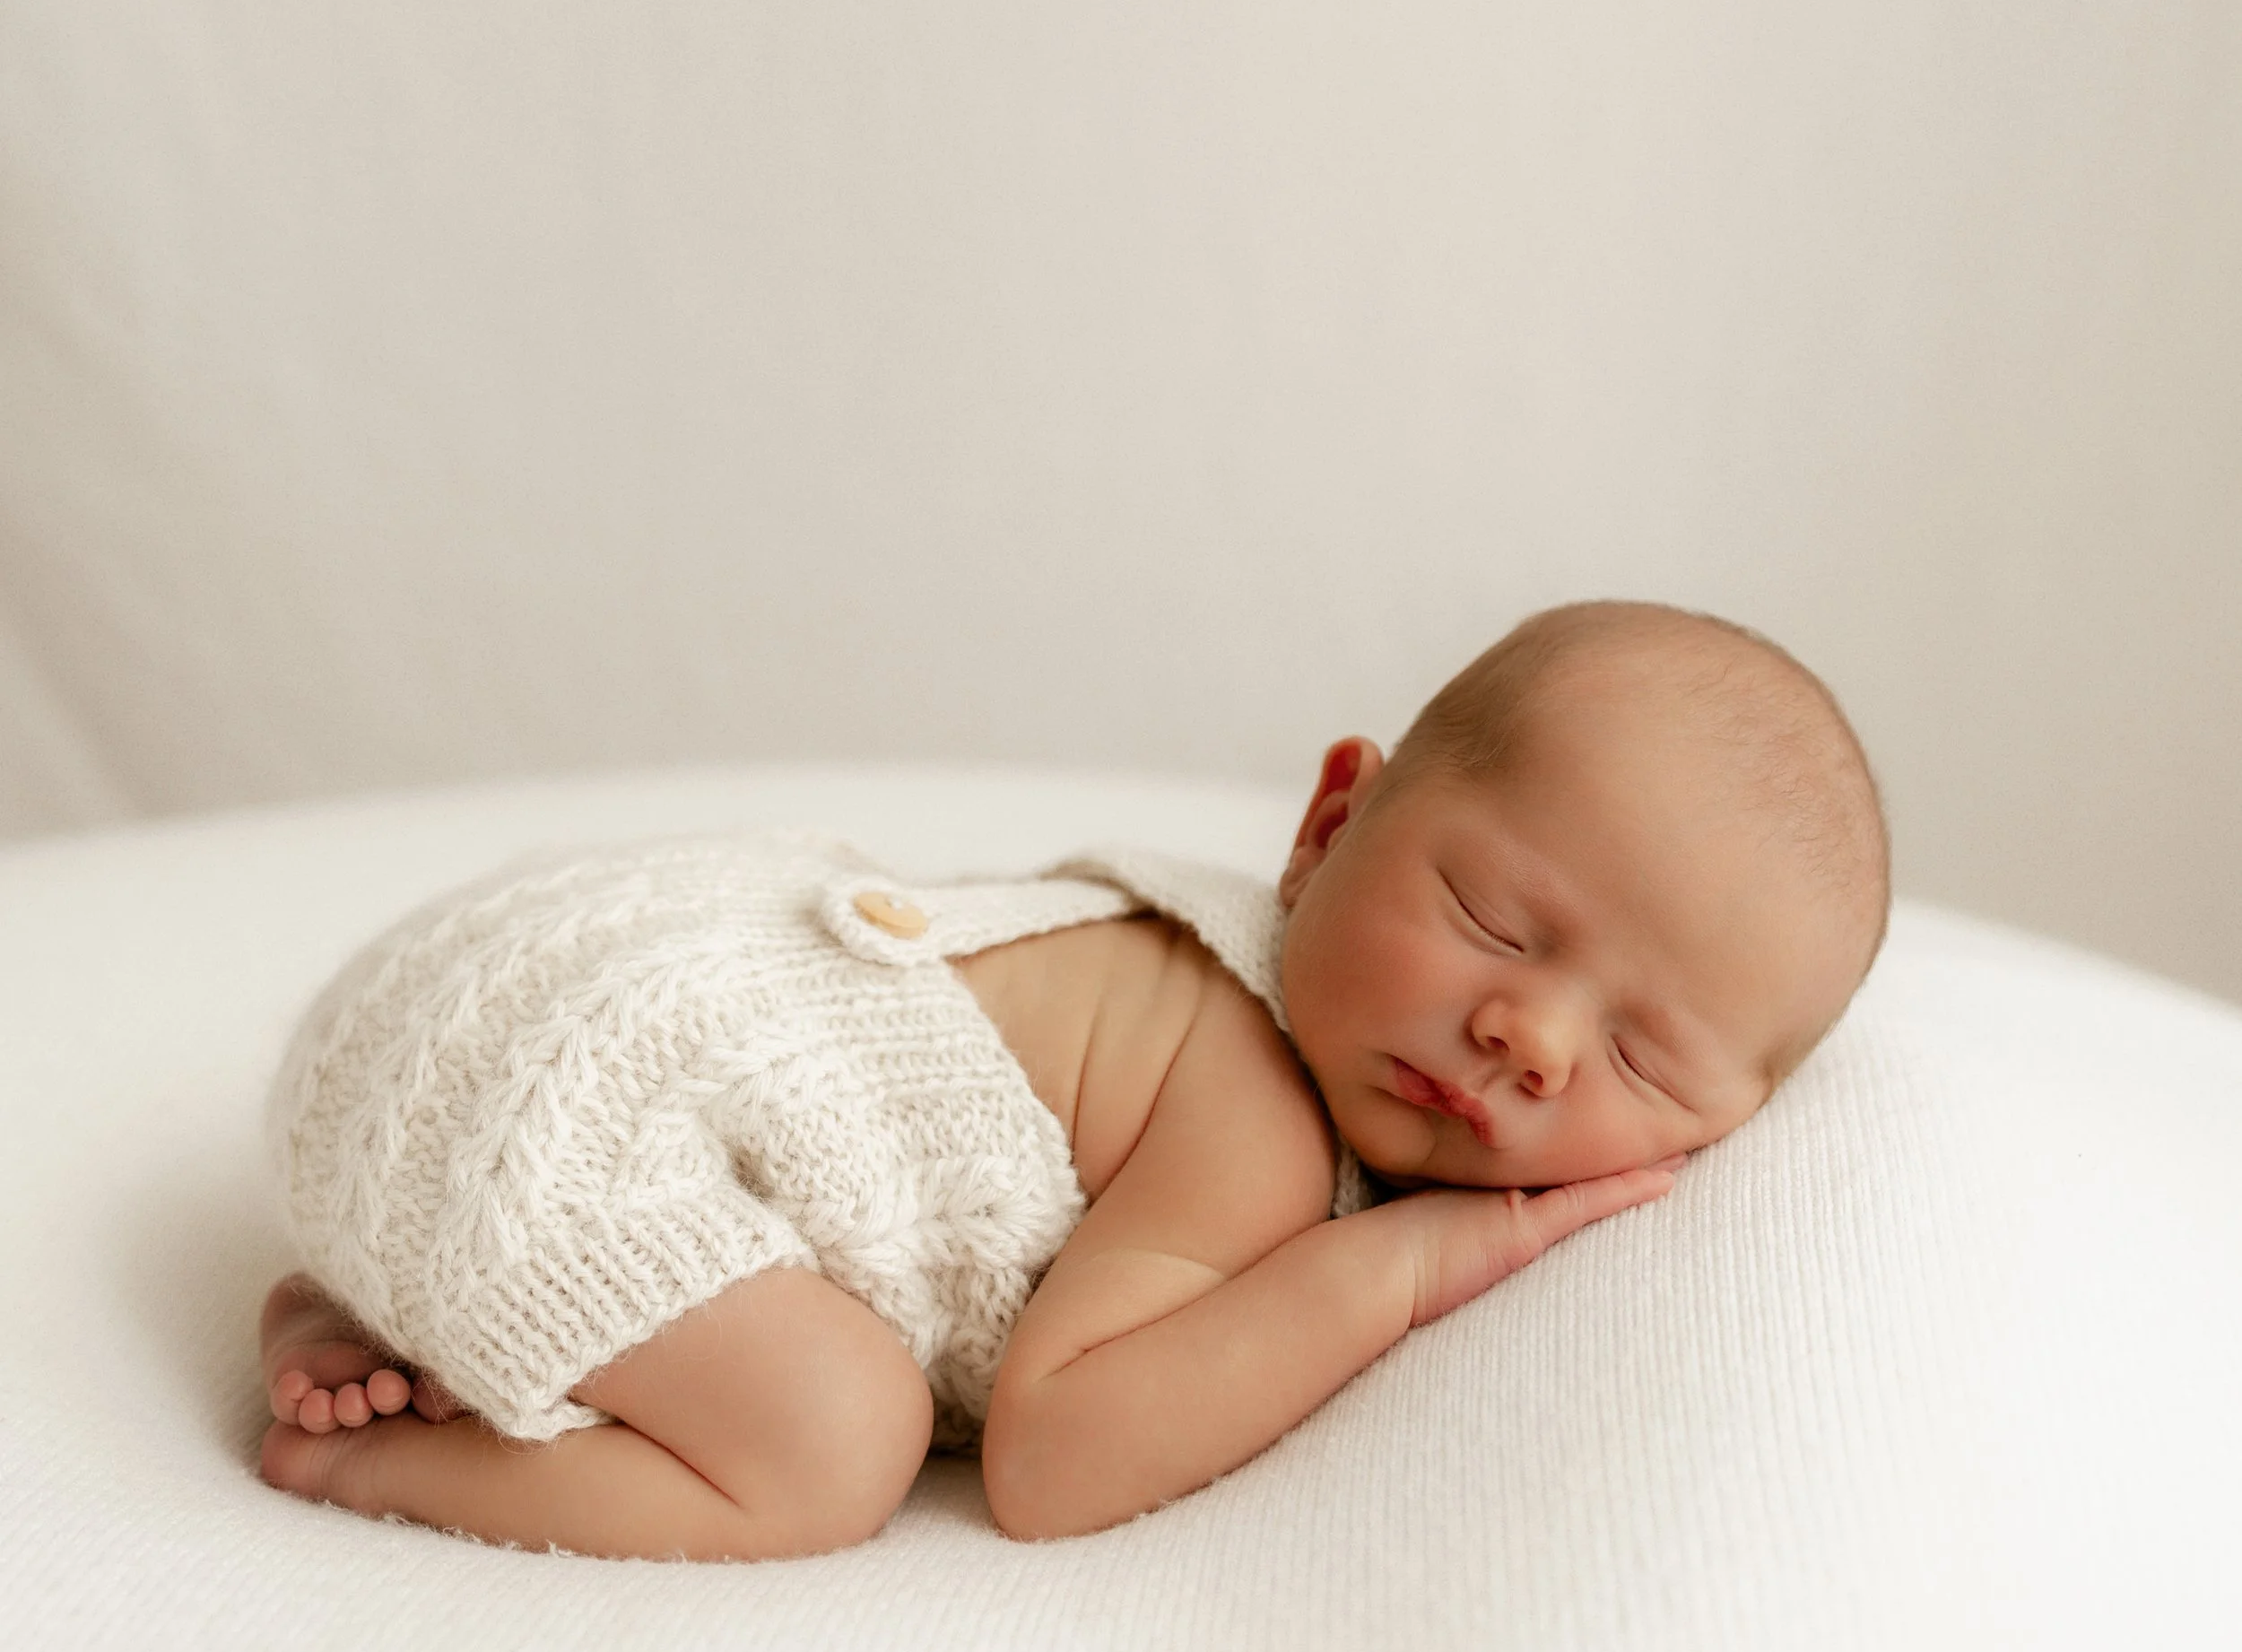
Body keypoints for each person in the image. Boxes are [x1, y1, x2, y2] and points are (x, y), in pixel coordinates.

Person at [257, 599, 1887, 1554]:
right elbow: (1052, 1456)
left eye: (1637, 1052)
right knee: (834, 1441)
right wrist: (1391, 1263)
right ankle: (377, 1448)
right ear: (1328, 829)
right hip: (562, 1100)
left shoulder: (1198, 957)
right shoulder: (1250, 1097)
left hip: (481, 1015)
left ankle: (388, 1306)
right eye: (1492, 919)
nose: (1528, 1035)